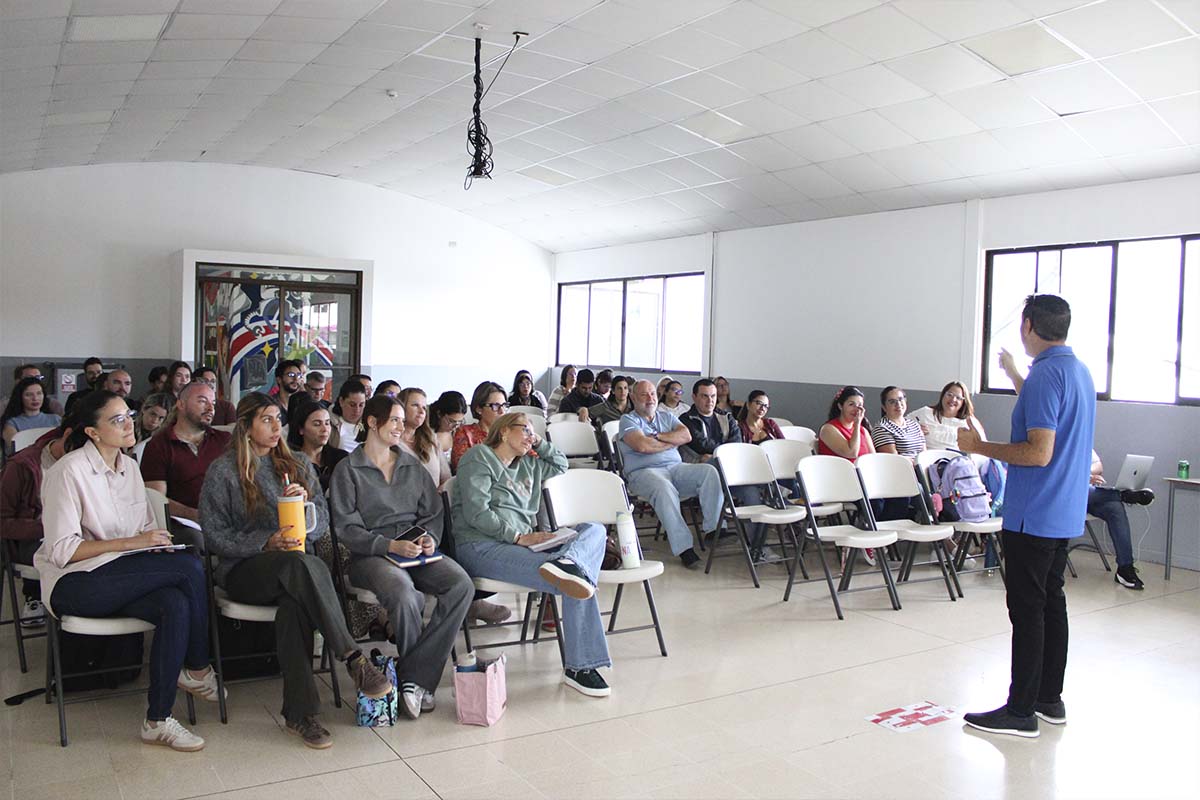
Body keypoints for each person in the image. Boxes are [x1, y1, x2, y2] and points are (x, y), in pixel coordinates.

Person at [198, 393, 392, 749]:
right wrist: (265, 542)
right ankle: (352, 656)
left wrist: (304, 509)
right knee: (302, 566)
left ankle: (300, 714)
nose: (277, 427)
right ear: (246, 427)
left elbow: (321, 522)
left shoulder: (297, 463)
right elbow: (214, 535)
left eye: (279, 419)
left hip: (297, 569)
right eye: (267, 420)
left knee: (294, 603)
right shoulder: (223, 471)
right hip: (244, 569)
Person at [35, 390, 218, 751]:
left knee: (175, 603)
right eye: (117, 420)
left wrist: (155, 544)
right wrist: (132, 544)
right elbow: (62, 551)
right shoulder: (68, 472)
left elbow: (143, 530)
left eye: (128, 415)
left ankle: (157, 720)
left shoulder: (130, 467)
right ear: (92, 432)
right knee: (188, 567)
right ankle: (198, 668)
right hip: (75, 583)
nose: (128, 424)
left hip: (122, 575)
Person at [959, 294, 1095, 739]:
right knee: (1051, 602)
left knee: (1027, 609)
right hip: (1064, 511)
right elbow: (1047, 413)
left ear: (1028, 326)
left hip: (1033, 514)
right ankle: (1048, 699)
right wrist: (1016, 375)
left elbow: (1038, 453)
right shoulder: (1077, 372)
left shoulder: (1044, 377)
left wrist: (978, 447)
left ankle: (1020, 711)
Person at [329, 394, 473, 718]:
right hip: (370, 556)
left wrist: (428, 539)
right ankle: (418, 683)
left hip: (414, 549)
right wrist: (388, 546)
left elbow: (432, 514)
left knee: (461, 585)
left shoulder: (412, 466)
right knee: (404, 593)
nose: (400, 426)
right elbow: (346, 529)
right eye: (394, 420)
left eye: (400, 420)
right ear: (372, 422)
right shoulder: (347, 470)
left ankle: (413, 678)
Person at [451, 411, 613, 697]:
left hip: (525, 545)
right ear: (504, 431)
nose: (530, 436)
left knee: (594, 529)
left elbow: (560, 463)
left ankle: (570, 563)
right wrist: (517, 536)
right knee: (576, 578)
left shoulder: (530, 464)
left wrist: (539, 441)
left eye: (532, 432)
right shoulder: (479, 457)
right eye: (525, 429)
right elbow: (477, 513)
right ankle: (580, 667)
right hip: (482, 546)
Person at [618, 380, 723, 568]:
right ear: (633, 398)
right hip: (643, 473)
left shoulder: (666, 417)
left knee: (709, 471)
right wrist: (671, 441)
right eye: (644, 394)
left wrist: (657, 437)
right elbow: (642, 446)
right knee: (663, 487)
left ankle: (714, 530)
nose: (650, 398)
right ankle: (684, 548)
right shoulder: (628, 420)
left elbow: (686, 436)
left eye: (652, 394)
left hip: (675, 468)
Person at [1, 423, 71, 629]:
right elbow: (2, 520)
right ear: (69, 434)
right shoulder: (22, 465)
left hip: (75, 536)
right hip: (33, 538)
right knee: (72, 559)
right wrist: (47, 527)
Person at [140, 381, 231, 522]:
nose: (210, 408)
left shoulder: (225, 440)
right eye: (202, 401)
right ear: (181, 404)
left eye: (213, 403)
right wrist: (196, 516)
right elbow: (156, 500)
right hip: (185, 523)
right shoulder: (158, 446)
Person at [1086, 450, 1150, 590]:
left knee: (1115, 508)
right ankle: (1122, 495)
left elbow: (1098, 466)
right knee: (1081, 489)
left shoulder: (1082, 440)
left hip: (1089, 497)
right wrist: (1082, 476)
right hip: (1064, 498)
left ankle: (1125, 568)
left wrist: (1086, 474)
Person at [287, 400, 347, 493]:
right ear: (301, 429)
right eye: (317, 424)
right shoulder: (291, 462)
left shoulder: (341, 458)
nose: (325, 429)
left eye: (327, 423)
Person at [396, 387, 450, 491]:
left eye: (424, 408)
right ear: (401, 408)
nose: (421, 411)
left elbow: (446, 478)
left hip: (435, 499)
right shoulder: (390, 442)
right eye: (415, 405)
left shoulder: (431, 439)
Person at [909, 381, 987, 451]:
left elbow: (981, 447)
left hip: (957, 460)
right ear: (943, 395)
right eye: (949, 395)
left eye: (958, 398)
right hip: (926, 459)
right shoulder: (926, 413)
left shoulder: (970, 422)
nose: (953, 399)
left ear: (963, 402)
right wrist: (914, 431)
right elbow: (902, 425)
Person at [679, 378, 741, 463]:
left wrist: (718, 456)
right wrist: (725, 451)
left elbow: (736, 443)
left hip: (727, 461)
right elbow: (701, 446)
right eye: (705, 396)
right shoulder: (686, 420)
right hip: (698, 464)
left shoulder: (727, 417)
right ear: (694, 397)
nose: (710, 400)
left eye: (713, 396)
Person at [450, 381, 506, 474]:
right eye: (496, 406)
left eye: (504, 405)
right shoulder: (465, 433)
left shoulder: (509, 433)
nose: (502, 411)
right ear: (479, 409)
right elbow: (462, 469)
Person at [3, 376, 62, 452]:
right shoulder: (12, 423)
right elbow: (15, 450)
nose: (35, 398)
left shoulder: (56, 419)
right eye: (29, 395)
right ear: (20, 397)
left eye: (39, 393)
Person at [818, 386, 876, 462]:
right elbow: (852, 453)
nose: (856, 409)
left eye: (860, 405)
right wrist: (857, 424)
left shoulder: (863, 430)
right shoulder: (828, 429)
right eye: (851, 404)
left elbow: (874, 459)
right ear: (840, 406)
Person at [871, 386, 926, 458]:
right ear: (884, 407)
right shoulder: (881, 428)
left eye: (900, 399)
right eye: (892, 402)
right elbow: (894, 459)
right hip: (901, 464)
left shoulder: (914, 425)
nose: (898, 404)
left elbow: (924, 454)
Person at [329, 379, 367, 453]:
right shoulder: (330, 424)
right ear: (341, 401)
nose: (357, 410)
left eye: (361, 405)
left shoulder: (370, 426)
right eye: (352, 405)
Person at [429, 390, 467, 460]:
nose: (456, 426)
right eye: (452, 421)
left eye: (460, 422)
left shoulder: (461, 434)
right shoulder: (427, 435)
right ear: (439, 414)